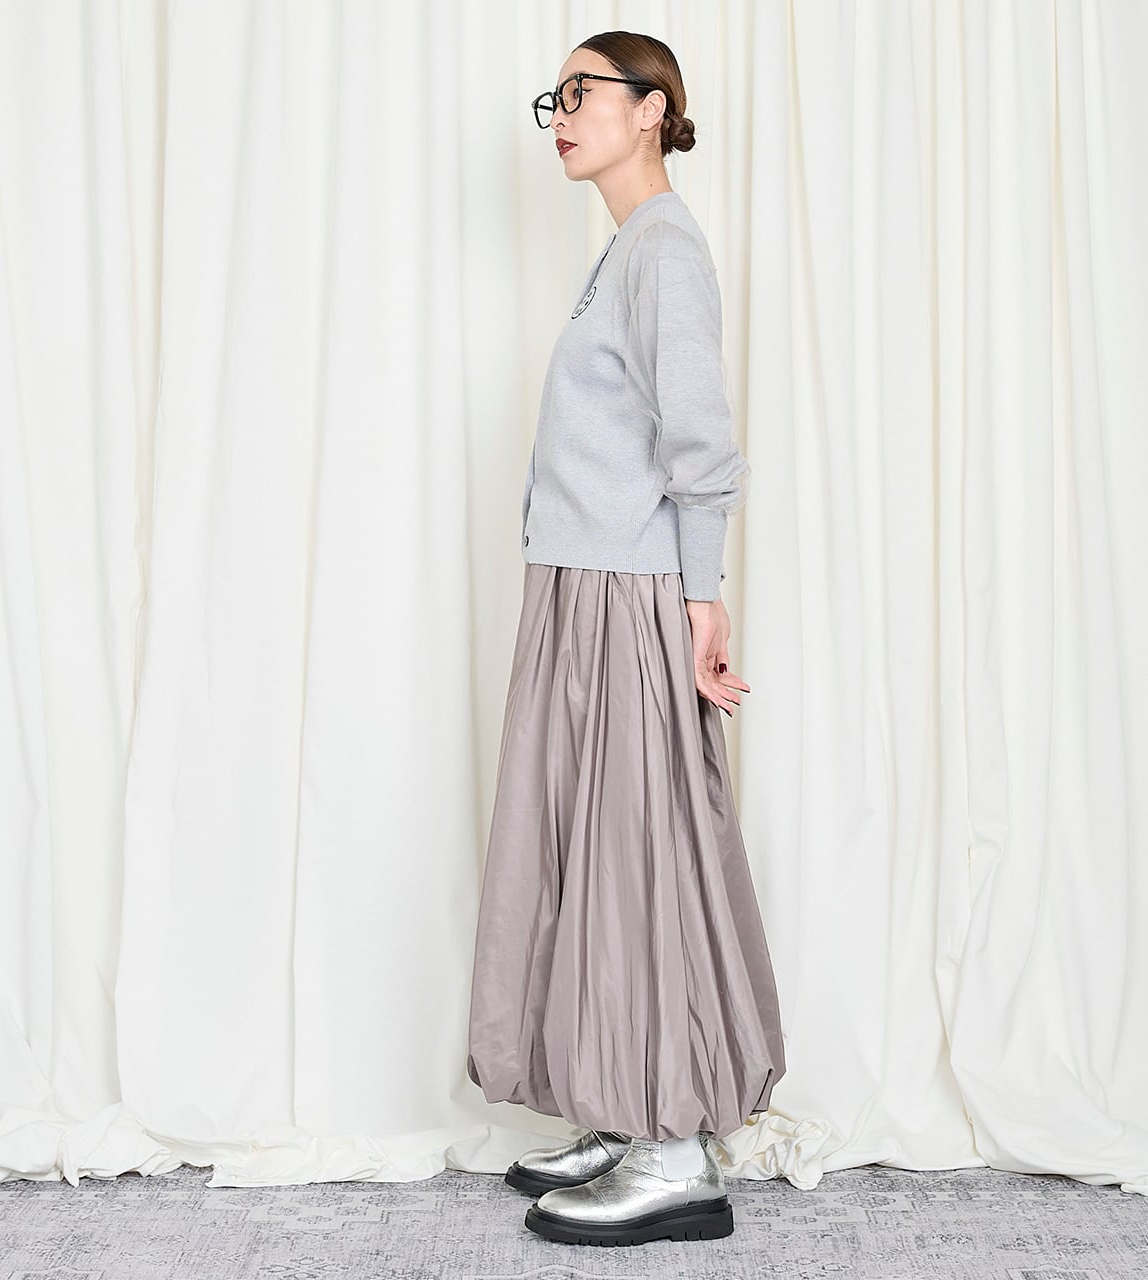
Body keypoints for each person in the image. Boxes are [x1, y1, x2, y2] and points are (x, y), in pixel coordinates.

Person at [465, 30, 787, 1248]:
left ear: (651, 110)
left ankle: (673, 1147)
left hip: (628, 589)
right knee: (590, 852)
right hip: (582, 580)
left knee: (640, 855)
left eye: (583, 91)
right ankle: (622, 1102)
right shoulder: (625, 251)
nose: (560, 113)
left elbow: (698, 439)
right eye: (553, 97)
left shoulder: (664, 251)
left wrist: (701, 598)